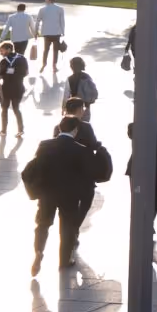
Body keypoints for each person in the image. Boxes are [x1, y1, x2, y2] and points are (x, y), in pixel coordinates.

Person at [23, 117, 109, 274]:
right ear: (75, 130)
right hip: (69, 195)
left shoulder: (45, 145)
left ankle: (38, 252)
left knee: (42, 224)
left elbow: (37, 167)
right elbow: (88, 173)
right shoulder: (80, 150)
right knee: (67, 227)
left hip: (47, 194)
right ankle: (64, 260)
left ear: (60, 128)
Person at [35, 0, 67, 78]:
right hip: (56, 33)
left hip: (46, 33)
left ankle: (44, 64)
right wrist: (63, 32)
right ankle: (54, 66)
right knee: (55, 50)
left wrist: (36, 32)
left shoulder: (42, 9)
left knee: (46, 50)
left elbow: (38, 21)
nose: (45, 0)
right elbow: (62, 21)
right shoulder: (60, 9)